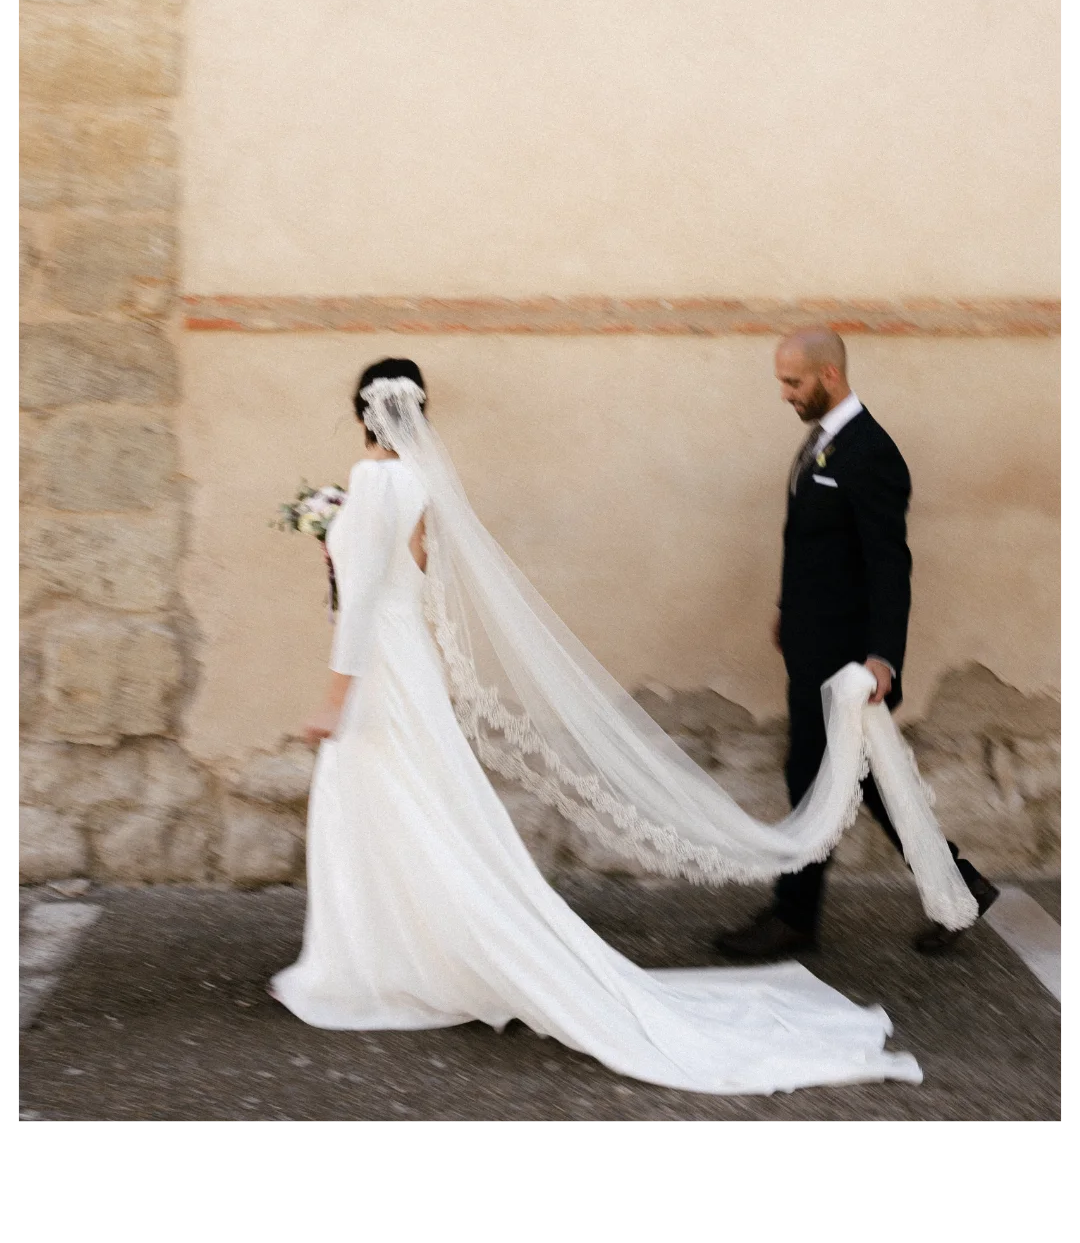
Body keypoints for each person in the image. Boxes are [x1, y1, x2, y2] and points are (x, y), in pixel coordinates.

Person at [269, 357, 974, 1094]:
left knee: (383, 807)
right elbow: (413, 570)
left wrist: (334, 695)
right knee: (424, 809)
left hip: (381, 669)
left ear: (361, 411)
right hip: (407, 660)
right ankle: (414, 952)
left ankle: (383, 962)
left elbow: (361, 602)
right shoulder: (420, 480)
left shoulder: (372, 481)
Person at [714, 330, 998, 964]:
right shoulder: (824, 441)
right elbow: (815, 543)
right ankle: (962, 885)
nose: (784, 393)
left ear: (829, 376)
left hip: (847, 658)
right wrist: (789, 609)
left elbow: (888, 564)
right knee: (866, 782)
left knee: (811, 775)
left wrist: (882, 657)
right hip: (813, 644)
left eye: (793, 382)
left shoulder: (871, 453)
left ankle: (794, 917)